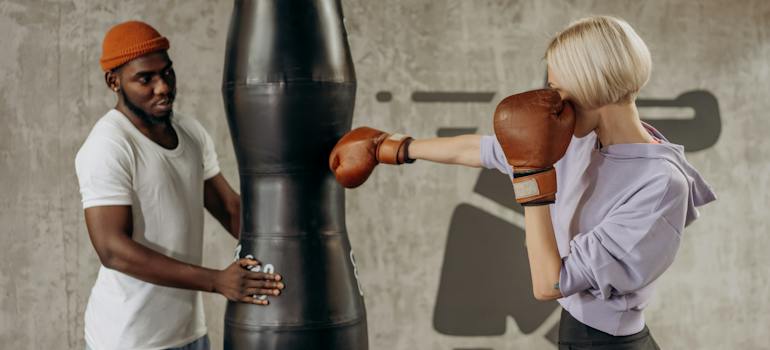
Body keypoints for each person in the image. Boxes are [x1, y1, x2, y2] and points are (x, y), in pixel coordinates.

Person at [329, 15, 715, 349]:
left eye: (559, 87)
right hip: (576, 333)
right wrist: (393, 147)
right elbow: (480, 150)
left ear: (591, 84)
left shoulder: (660, 185)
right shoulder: (580, 140)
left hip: (607, 343)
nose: (553, 100)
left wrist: (533, 178)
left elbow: (550, 283)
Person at [75, 21, 284, 350]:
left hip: (190, 335)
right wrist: (216, 281)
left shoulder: (190, 132)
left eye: (167, 73)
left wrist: (290, 248)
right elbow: (112, 250)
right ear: (114, 81)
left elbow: (231, 209)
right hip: (128, 339)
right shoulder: (108, 145)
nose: (162, 87)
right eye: (145, 78)